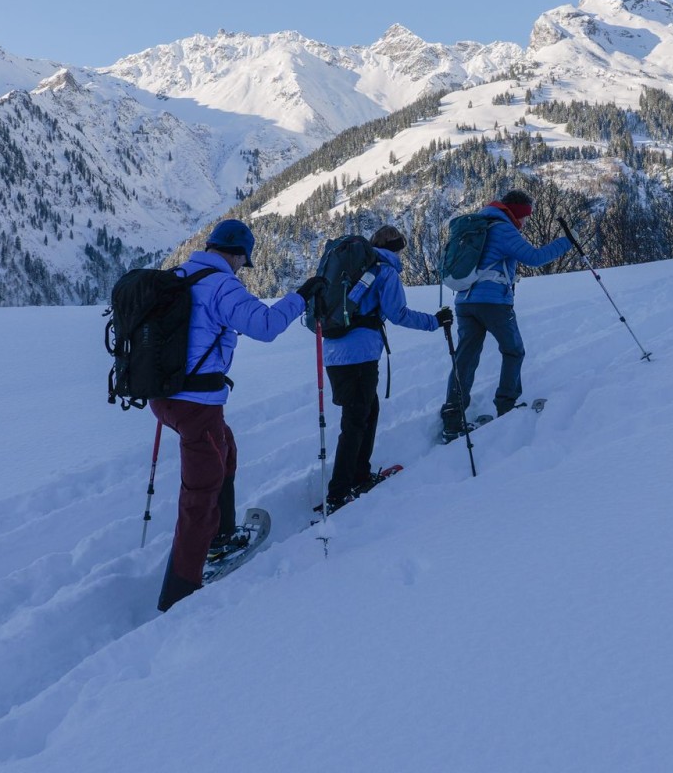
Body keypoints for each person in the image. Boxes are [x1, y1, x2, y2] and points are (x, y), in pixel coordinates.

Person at [152, 218, 319, 612]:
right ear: (239, 255)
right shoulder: (221, 284)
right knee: (199, 493)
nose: (242, 268)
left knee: (224, 450)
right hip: (195, 401)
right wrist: (301, 295)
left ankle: (221, 537)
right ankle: (179, 593)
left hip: (167, 397)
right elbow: (264, 326)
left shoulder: (180, 274)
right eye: (244, 262)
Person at [318, 225, 451, 512]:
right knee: (356, 420)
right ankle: (340, 492)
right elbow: (398, 313)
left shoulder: (350, 269)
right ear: (397, 248)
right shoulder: (384, 272)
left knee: (365, 412)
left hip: (332, 352)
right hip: (361, 355)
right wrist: (434, 322)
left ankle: (357, 476)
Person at [439, 189, 571, 439]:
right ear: (517, 213)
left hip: (464, 301)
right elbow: (534, 258)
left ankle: (453, 418)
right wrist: (567, 241)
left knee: (465, 357)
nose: (525, 223)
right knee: (513, 350)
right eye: (525, 217)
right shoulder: (502, 229)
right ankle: (507, 406)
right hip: (494, 302)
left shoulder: (478, 226)